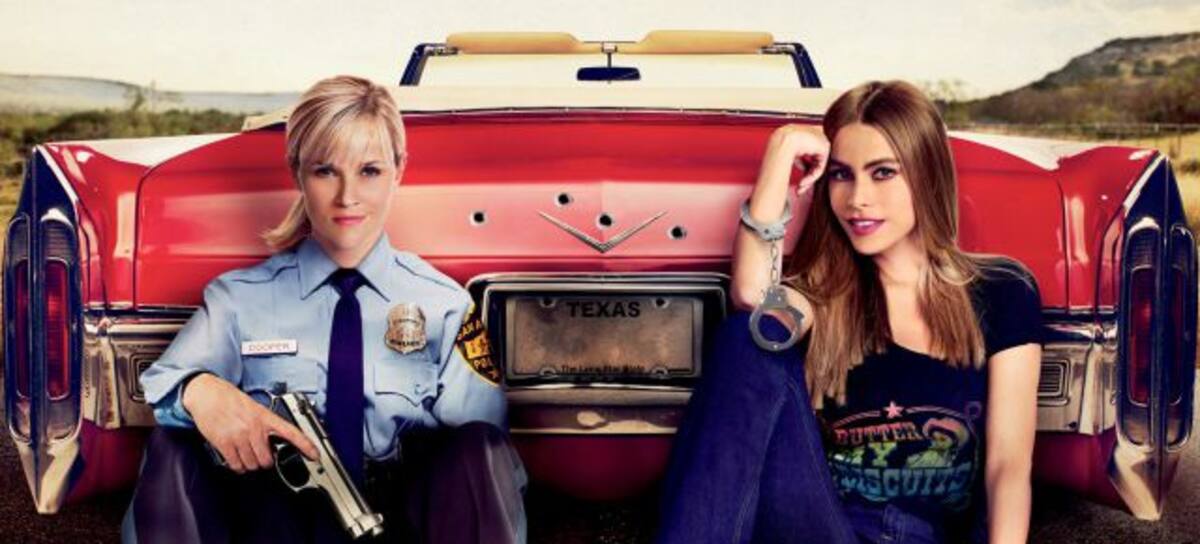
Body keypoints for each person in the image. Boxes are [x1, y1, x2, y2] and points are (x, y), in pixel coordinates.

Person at [122, 75, 527, 544]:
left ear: (399, 170)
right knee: (172, 446)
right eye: (325, 171)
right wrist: (199, 390)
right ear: (297, 172)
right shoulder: (240, 299)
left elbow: (489, 462)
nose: (347, 196)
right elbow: (162, 384)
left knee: (479, 447)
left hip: (401, 521)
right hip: (275, 519)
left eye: (369, 171)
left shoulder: (445, 305)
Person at [658, 81, 1042, 544]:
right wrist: (783, 148)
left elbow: (1008, 467)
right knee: (748, 336)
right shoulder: (823, 294)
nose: (857, 198)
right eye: (841, 174)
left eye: (882, 173)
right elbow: (752, 295)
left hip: (926, 536)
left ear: (927, 173)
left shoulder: (1002, 290)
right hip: (825, 529)